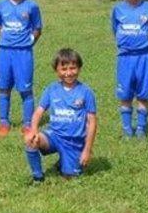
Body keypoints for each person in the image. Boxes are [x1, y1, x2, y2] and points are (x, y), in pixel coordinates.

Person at [22, 48, 97, 182]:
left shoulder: (86, 92)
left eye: (73, 68)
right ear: (56, 70)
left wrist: (87, 149)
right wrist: (33, 130)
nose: (68, 73)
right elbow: (38, 112)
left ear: (79, 68)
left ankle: (65, 160)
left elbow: (92, 122)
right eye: (64, 69)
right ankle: (38, 177)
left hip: (74, 142)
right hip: (54, 136)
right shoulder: (51, 89)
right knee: (30, 140)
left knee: (69, 178)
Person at [0, 0, 43, 138]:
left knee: (25, 90)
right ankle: (4, 122)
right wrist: (3, 40)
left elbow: (37, 28)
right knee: (4, 88)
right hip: (5, 53)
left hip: (23, 54)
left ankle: (28, 123)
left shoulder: (32, 6)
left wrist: (29, 41)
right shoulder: (0, 6)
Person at [111, 0, 148, 138]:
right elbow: (115, 30)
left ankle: (141, 128)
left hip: (144, 58)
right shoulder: (117, 10)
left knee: (143, 94)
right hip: (125, 58)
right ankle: (127, 129)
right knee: (125, 95)